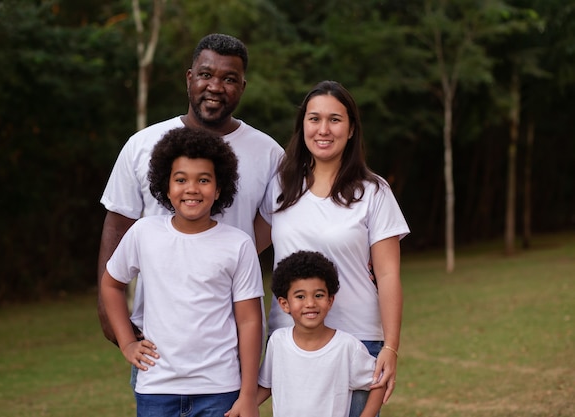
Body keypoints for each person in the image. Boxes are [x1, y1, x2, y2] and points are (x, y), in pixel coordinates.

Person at [97, 33, 283, 353]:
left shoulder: (268, 154)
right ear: (189, 78)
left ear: (242, 86)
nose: (215, 86)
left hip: (233, 334)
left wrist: (223, 256)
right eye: (206, 75)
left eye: (229, 78)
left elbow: (276, 222)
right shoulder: (143, 144)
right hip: (158, 333)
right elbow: (118, 224)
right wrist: (106, 307)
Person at [260, 80, 410, 416]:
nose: (323, 129)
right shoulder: (281, 187)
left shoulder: (373, 191)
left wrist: (391, 346)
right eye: (314, 119)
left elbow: (387, 274)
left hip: (357, 338)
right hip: (291, 339)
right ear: (302, 126)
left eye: (335, 119)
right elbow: (244, 249)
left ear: (352, 128)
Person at [101, 127, 263, 417]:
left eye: (203, 180)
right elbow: (111, 285)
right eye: (181, 179)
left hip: (219, 389)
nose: (192, 188)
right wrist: (126, 342)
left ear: (218, 188)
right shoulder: (144, 233)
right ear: (166, 186)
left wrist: (248, 394)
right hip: (156, 388)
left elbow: (250, 321)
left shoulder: (238, 244)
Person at [225, 250, 384, 417]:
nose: (310, 303)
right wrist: (243, 406)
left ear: (330, 301)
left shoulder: (347, 347)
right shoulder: (278, 342)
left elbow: (379, 382)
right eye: (300, 296)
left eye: (318, 295)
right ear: (284, 304)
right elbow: (267, 385)